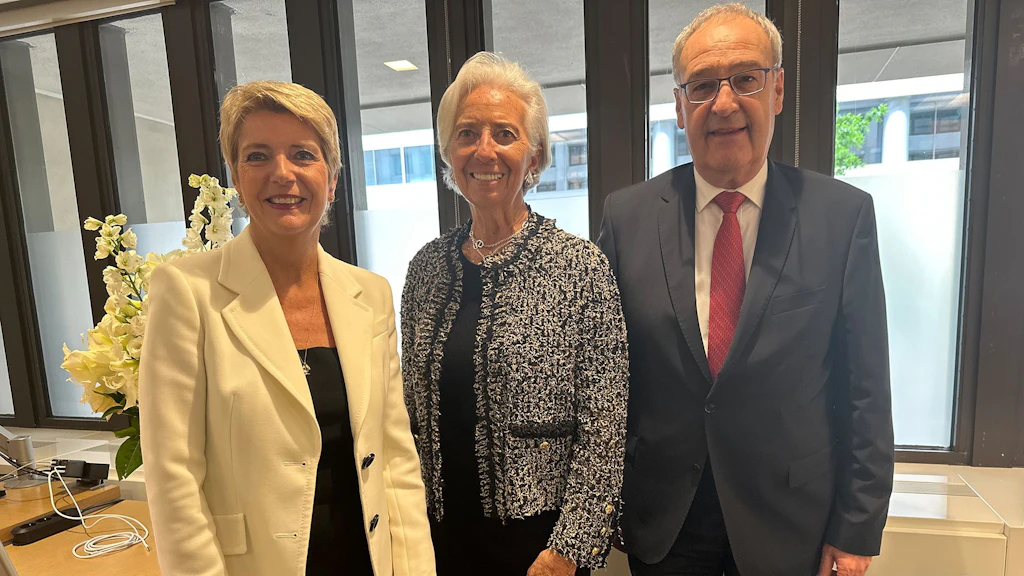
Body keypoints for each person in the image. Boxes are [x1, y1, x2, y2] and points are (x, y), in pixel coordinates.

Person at [598, 5, 894, 576]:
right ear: (680, 106)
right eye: (703, 86)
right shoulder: (627, 217)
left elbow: (866, 390)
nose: (724, 103)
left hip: (791, 524)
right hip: (665, 526)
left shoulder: (842, 217)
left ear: (777, 90)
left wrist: (856, 529)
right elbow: (608, 380)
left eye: (745, 79)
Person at [139, 81, 435, 576]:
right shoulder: (187, 292)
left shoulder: (370, 294)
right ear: (237, 178)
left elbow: (395, 460)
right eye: (258, 156)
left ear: (332, 178)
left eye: (303, 154)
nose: (282, 173)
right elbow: (174, 478)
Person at [400, 52, 628, 576]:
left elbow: (606, 427)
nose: (485, 150)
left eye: (504, 134)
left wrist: (569, 550)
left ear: (535, 156)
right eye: (467, 133)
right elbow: (410, 417)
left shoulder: (578, 266)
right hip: (439, 542)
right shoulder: (426, 269)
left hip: (540, 547)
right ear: (449, 152)